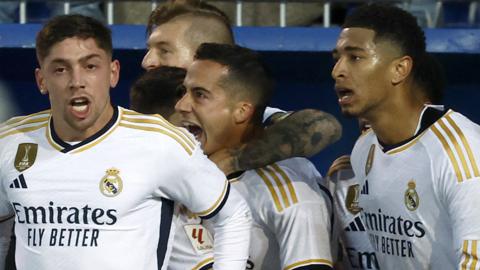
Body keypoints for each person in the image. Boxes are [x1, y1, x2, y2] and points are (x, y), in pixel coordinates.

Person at [0, 14, 252, 270]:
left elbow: (233, 215)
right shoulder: (10, 142)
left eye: (90, 66)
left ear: (113, 73)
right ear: (42, 80)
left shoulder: (160, 142)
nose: (77, 82)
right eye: (61, 69)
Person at [331, 3, 480, 269]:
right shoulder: (364, 150)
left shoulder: (463, 149)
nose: (337, 71)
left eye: (354, 57)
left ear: (400, 69)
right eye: (337, 58)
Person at [176, 42, 334, 270]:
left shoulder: (289, 193)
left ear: (242, 111)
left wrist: (232, 161)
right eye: (183, 92)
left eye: (200, 95)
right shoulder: (176, 159)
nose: (181, 105)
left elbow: (324, 126)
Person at [142, 1, 342, 175]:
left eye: (164, 50)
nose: (147, 61)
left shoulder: (248, 123)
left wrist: (231, 160)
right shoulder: (143, 121)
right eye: (148, 50)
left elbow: (322, 125)